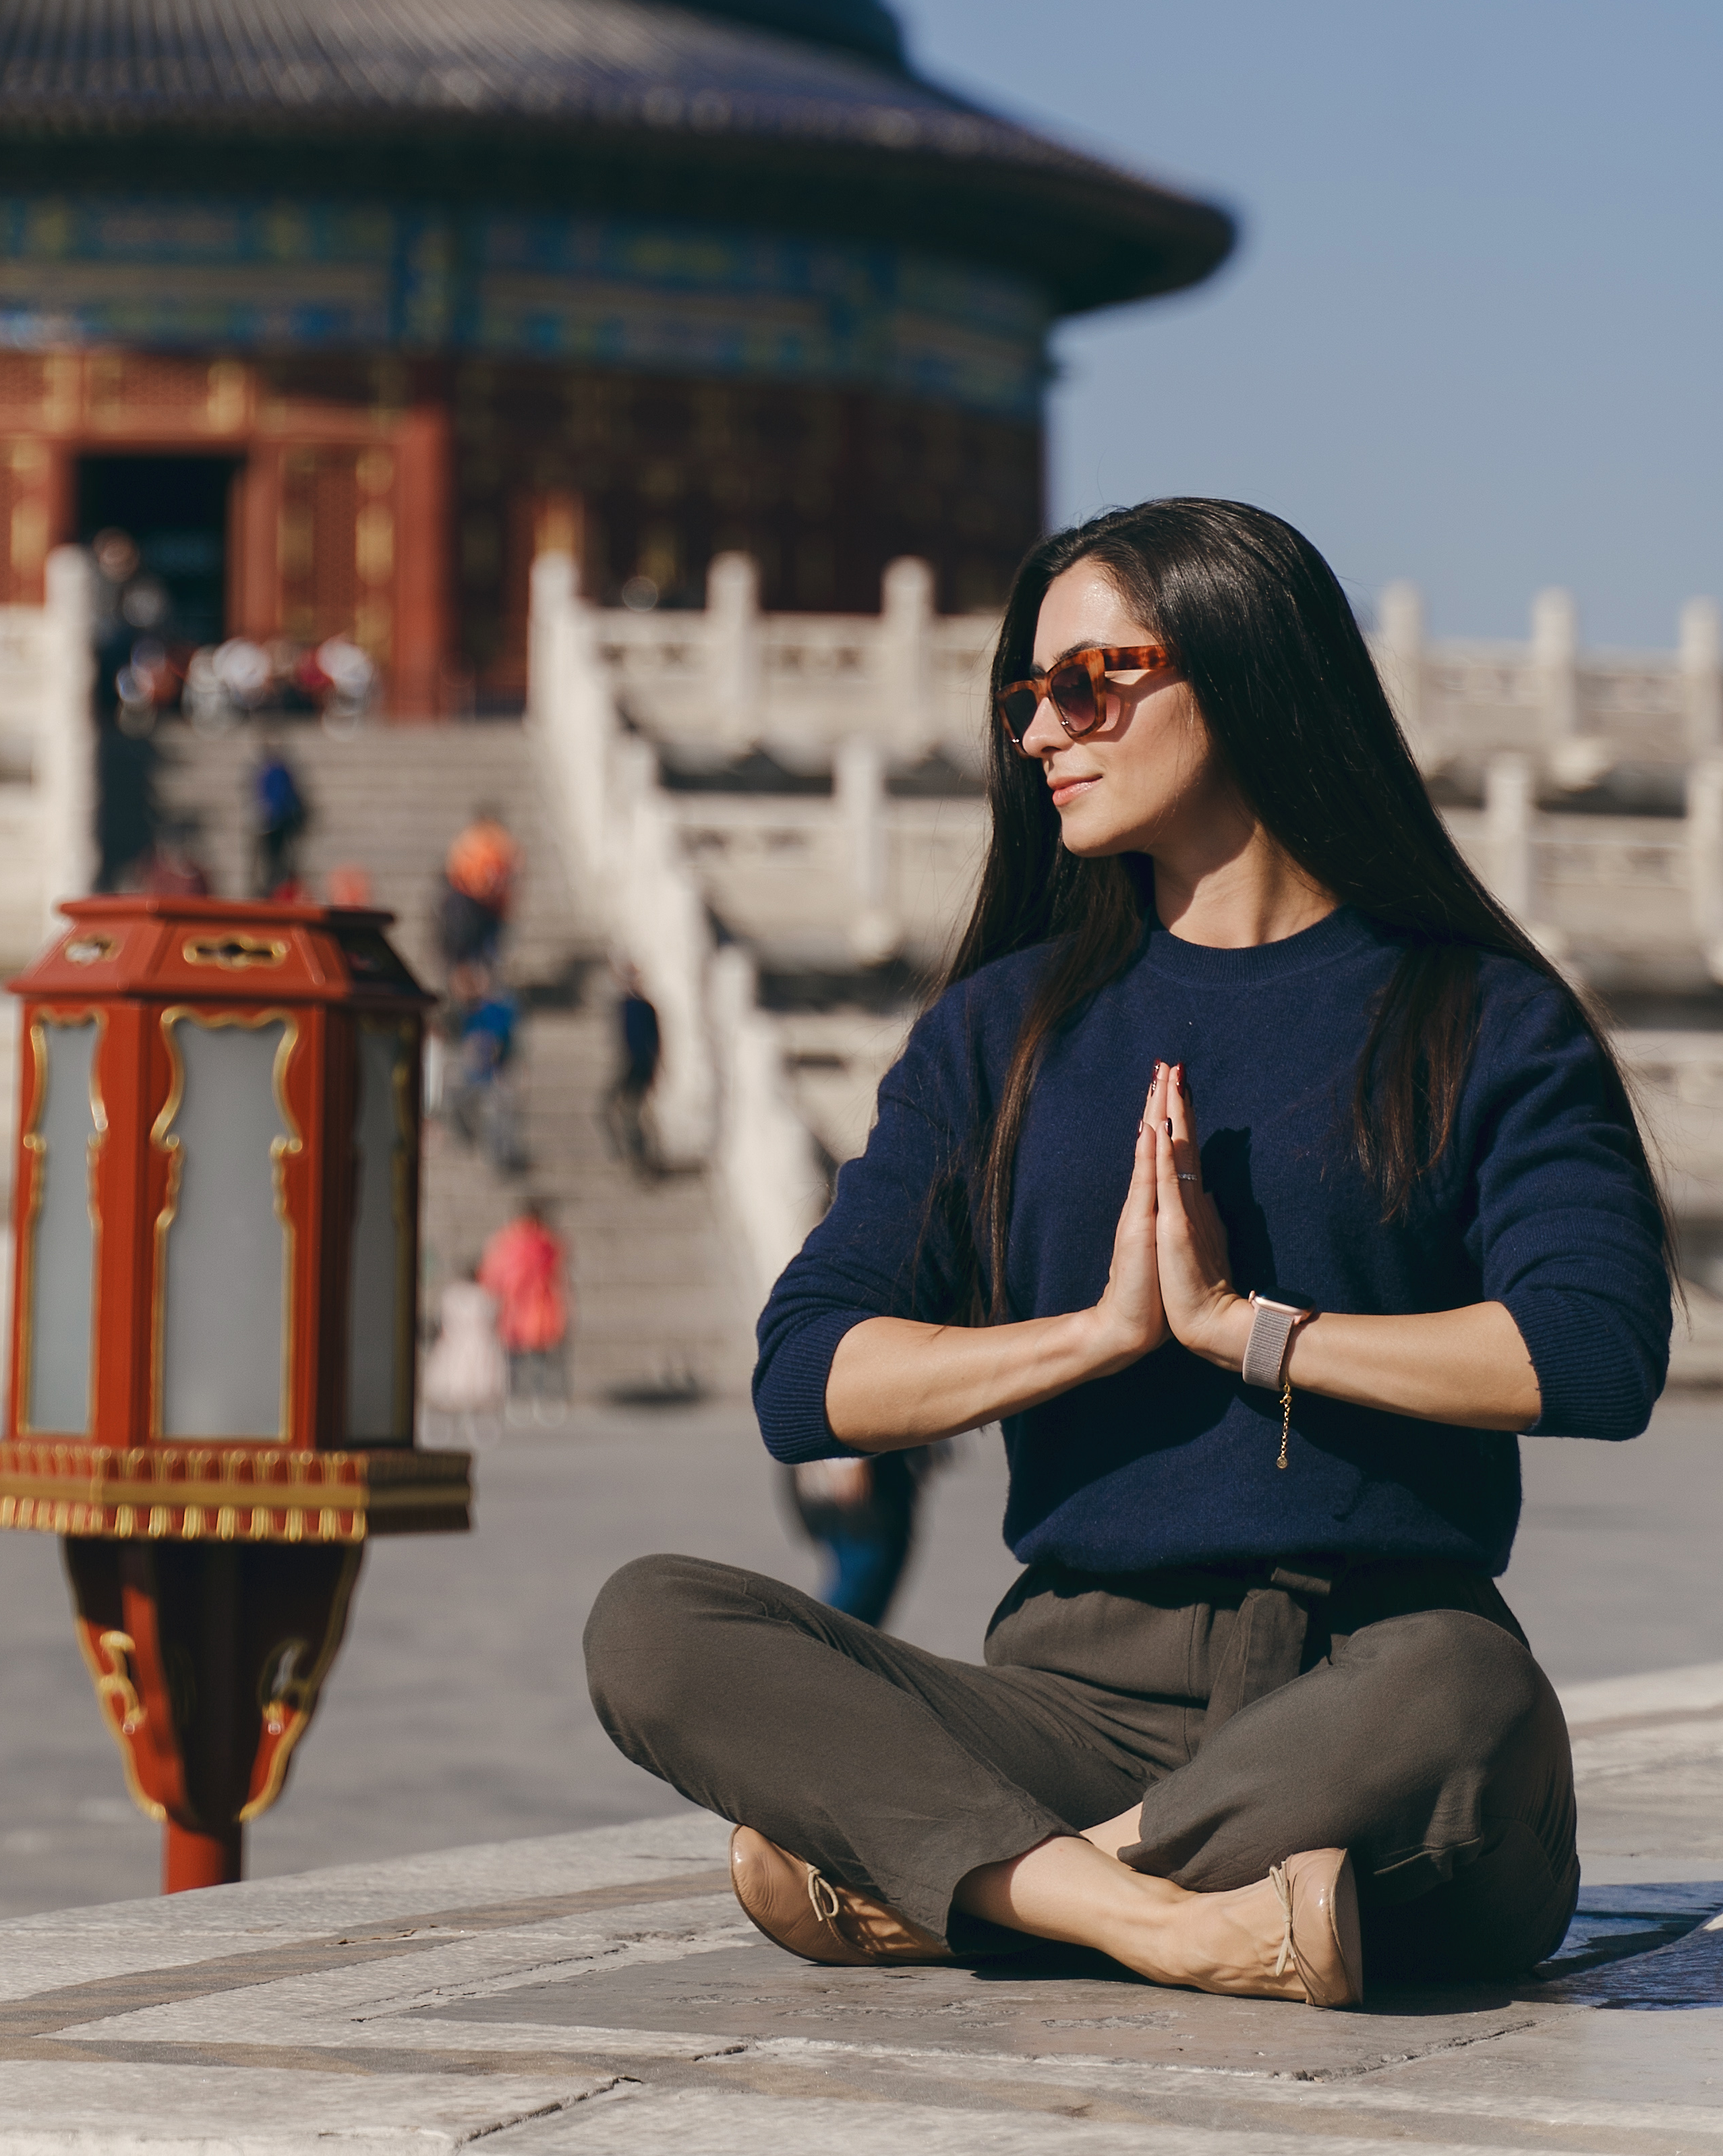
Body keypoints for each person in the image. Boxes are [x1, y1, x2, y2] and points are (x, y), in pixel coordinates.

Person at [584, 498, 1670, 2013]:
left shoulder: (1475, 1016)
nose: (1041, 732)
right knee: (653, 1620)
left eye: (1089, 683)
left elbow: (1595, 1354)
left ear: (1242, 673)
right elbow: (804, 1376)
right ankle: (1155, 1916)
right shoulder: (1002, 1034)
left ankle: (981, 1887)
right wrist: (1097, 1334)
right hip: (1071, 1693)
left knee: (1466, 1690)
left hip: (1362, 1697)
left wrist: (1245, 1329)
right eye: (1024, 697)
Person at [779, 1447, 929, 1629]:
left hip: (854, 1472)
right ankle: (801, 1650)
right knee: (849, 1618)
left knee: (858, 1609)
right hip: (861, 1484)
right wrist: (846, 1458)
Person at [478, 1194, 571, 1414]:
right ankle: (536, 1398)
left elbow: (494, 1271)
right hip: (536, 1304)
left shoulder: (511, 1237)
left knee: (519, 1356)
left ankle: (518, 1397)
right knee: (535, 1356)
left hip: (520, 1305)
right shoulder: (544, 1239)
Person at [443, 964, 525, 1175]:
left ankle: (499, 1158)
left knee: (498, 1112)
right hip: (473, 1076)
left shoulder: (499, 1010)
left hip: (495, 1074)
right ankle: (468, 1141)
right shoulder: (465, 1013)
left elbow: (506, 1042)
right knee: (452, 1100)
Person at [421, 1264, 510, 1449]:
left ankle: (455, 1425)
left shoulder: (453, 1296)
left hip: (457, 1345)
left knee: (453, 1391)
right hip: (479, 1347)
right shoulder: (485, 1296)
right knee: (477, 1392)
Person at [436, 813, 520, 972]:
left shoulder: (501, 845)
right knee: (467, 953)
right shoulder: (473, 841)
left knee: (480, 955)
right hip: (469, 903)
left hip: (488, 907)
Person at [602, 963, 662, 1171]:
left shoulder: (645, 1007)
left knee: (629, 1113)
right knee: (611, 1110)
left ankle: (638, 1157)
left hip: (640, 1066)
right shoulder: (623, 1006)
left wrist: (653, 1069)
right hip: (628, 1065)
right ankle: (626, 1154)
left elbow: (655, 1043)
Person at [252, 748, 310, 896]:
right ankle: (272, 886)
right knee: (273, 860)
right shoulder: (275, 771)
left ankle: (275, 887)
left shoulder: (274, 771)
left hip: (276, 823)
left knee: (275, 860)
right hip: (276, 823)